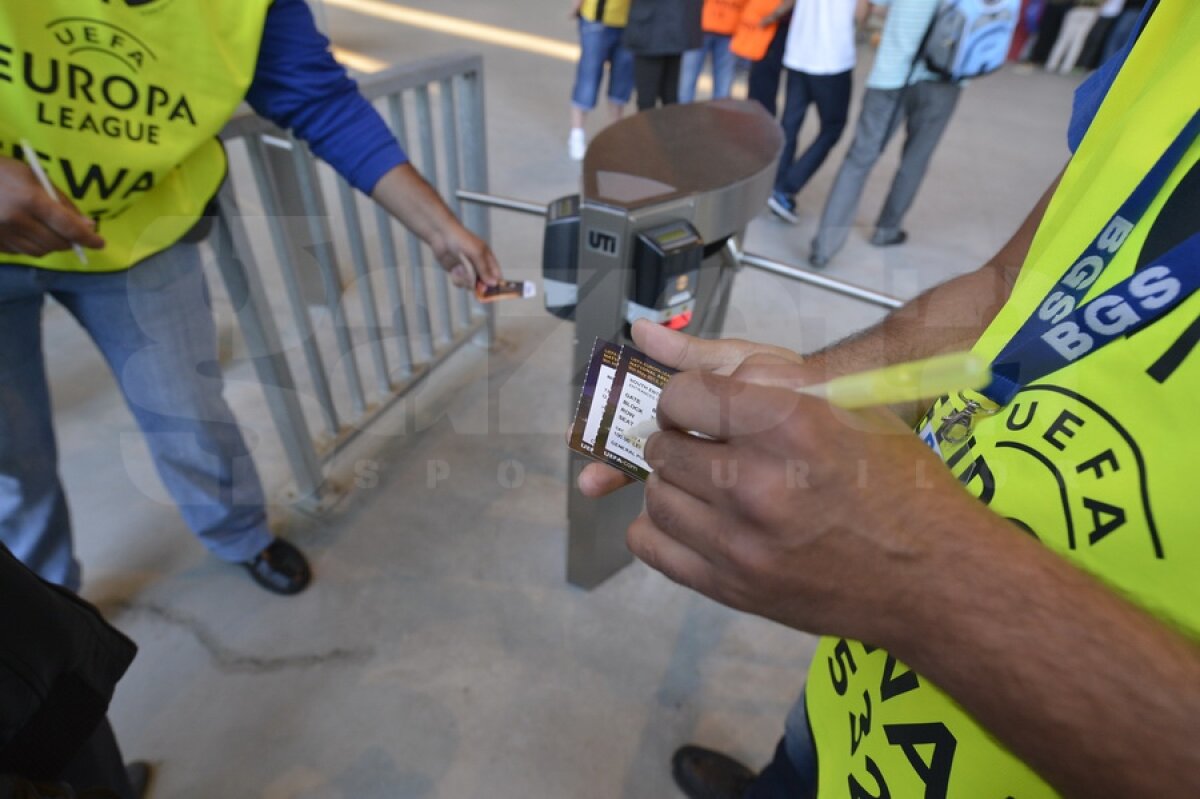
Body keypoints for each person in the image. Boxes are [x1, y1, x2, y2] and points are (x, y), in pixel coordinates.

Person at [579, 1, 1200, 796]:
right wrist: (824, 386)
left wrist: (926, 576)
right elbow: (1015, 281)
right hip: (858, 709)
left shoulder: (907, 581)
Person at [0, 0, 503, 596]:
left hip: (142, 233)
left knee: (189, 414)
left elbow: (319, 98)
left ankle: (239, 534)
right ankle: (49, 604)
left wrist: (439, 226)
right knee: (12, 458)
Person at [808, 0, 965, 266]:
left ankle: (824, 248)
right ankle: (886, 230)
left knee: (859, 160)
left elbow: (874, 4)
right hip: (946, 79)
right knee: (916, 160)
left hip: (892, 74)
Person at [765, 0, 870, 224]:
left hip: (798, 51)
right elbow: (861, 14)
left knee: (789, 125)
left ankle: (776, 187)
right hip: (832, 60)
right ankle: (786, 188)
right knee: (832, 128)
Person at [568, 0, 636, 161]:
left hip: (629, 21)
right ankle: (576, 133)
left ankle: (615, 134)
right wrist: (576, 6)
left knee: (621, 82)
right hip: (597, 21)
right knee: (588, 77)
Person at [623, 0, 704, 110]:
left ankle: (657, 126)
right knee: (669, 99)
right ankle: (667, 126)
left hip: (649, 31)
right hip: (675, 29)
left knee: (649, 101)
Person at [679, 0, 745, 104]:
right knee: (688, 79)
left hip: (729, 28)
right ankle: (683, 114)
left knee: (722, 82)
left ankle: (719, 115)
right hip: (702, 25)